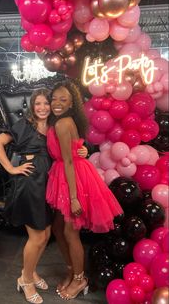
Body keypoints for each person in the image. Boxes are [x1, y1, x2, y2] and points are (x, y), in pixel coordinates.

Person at [0, 88, 88, 304]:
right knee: (38, 237)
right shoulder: (24, 125)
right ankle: (25, 280)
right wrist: (11, 168)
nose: (43, 108)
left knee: (46, 233)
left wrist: (82, 151)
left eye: (46, 103)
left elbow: (68, 149)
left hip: (49, 184)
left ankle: (30, 271)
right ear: (32, 106)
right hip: (30, 183)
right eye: (38, 104)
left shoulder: (55, 126)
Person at [46, 81, 123, 300]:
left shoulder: (62, 124)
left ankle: (80, 279)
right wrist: (82, 149)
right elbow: (75, 148)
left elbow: (69, 162)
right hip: (66, 173)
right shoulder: (60, 121)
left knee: (70, 232)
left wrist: (73, 198)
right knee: (58, 229)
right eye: (54, 99)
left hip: (73, 178)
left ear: (72, 104)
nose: (57, 104)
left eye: (63, 100)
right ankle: (72, 271)